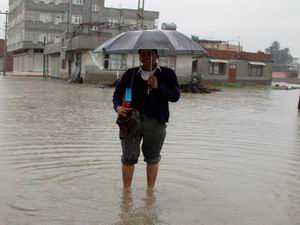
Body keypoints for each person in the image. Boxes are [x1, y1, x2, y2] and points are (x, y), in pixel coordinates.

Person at [113, 49, 180, 191]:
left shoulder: (167, 74)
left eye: (150, 54)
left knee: (153, 158)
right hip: (131, 121)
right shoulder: (130, 74)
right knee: (128, 157)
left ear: (157, 56)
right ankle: (126, 192)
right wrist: (117, 107)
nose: (146, 57)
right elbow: (117, 94)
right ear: (139, 57)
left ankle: (150, 192)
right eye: (143, 54)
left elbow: (175, 96)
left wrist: (157, 87)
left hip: (156, 122)